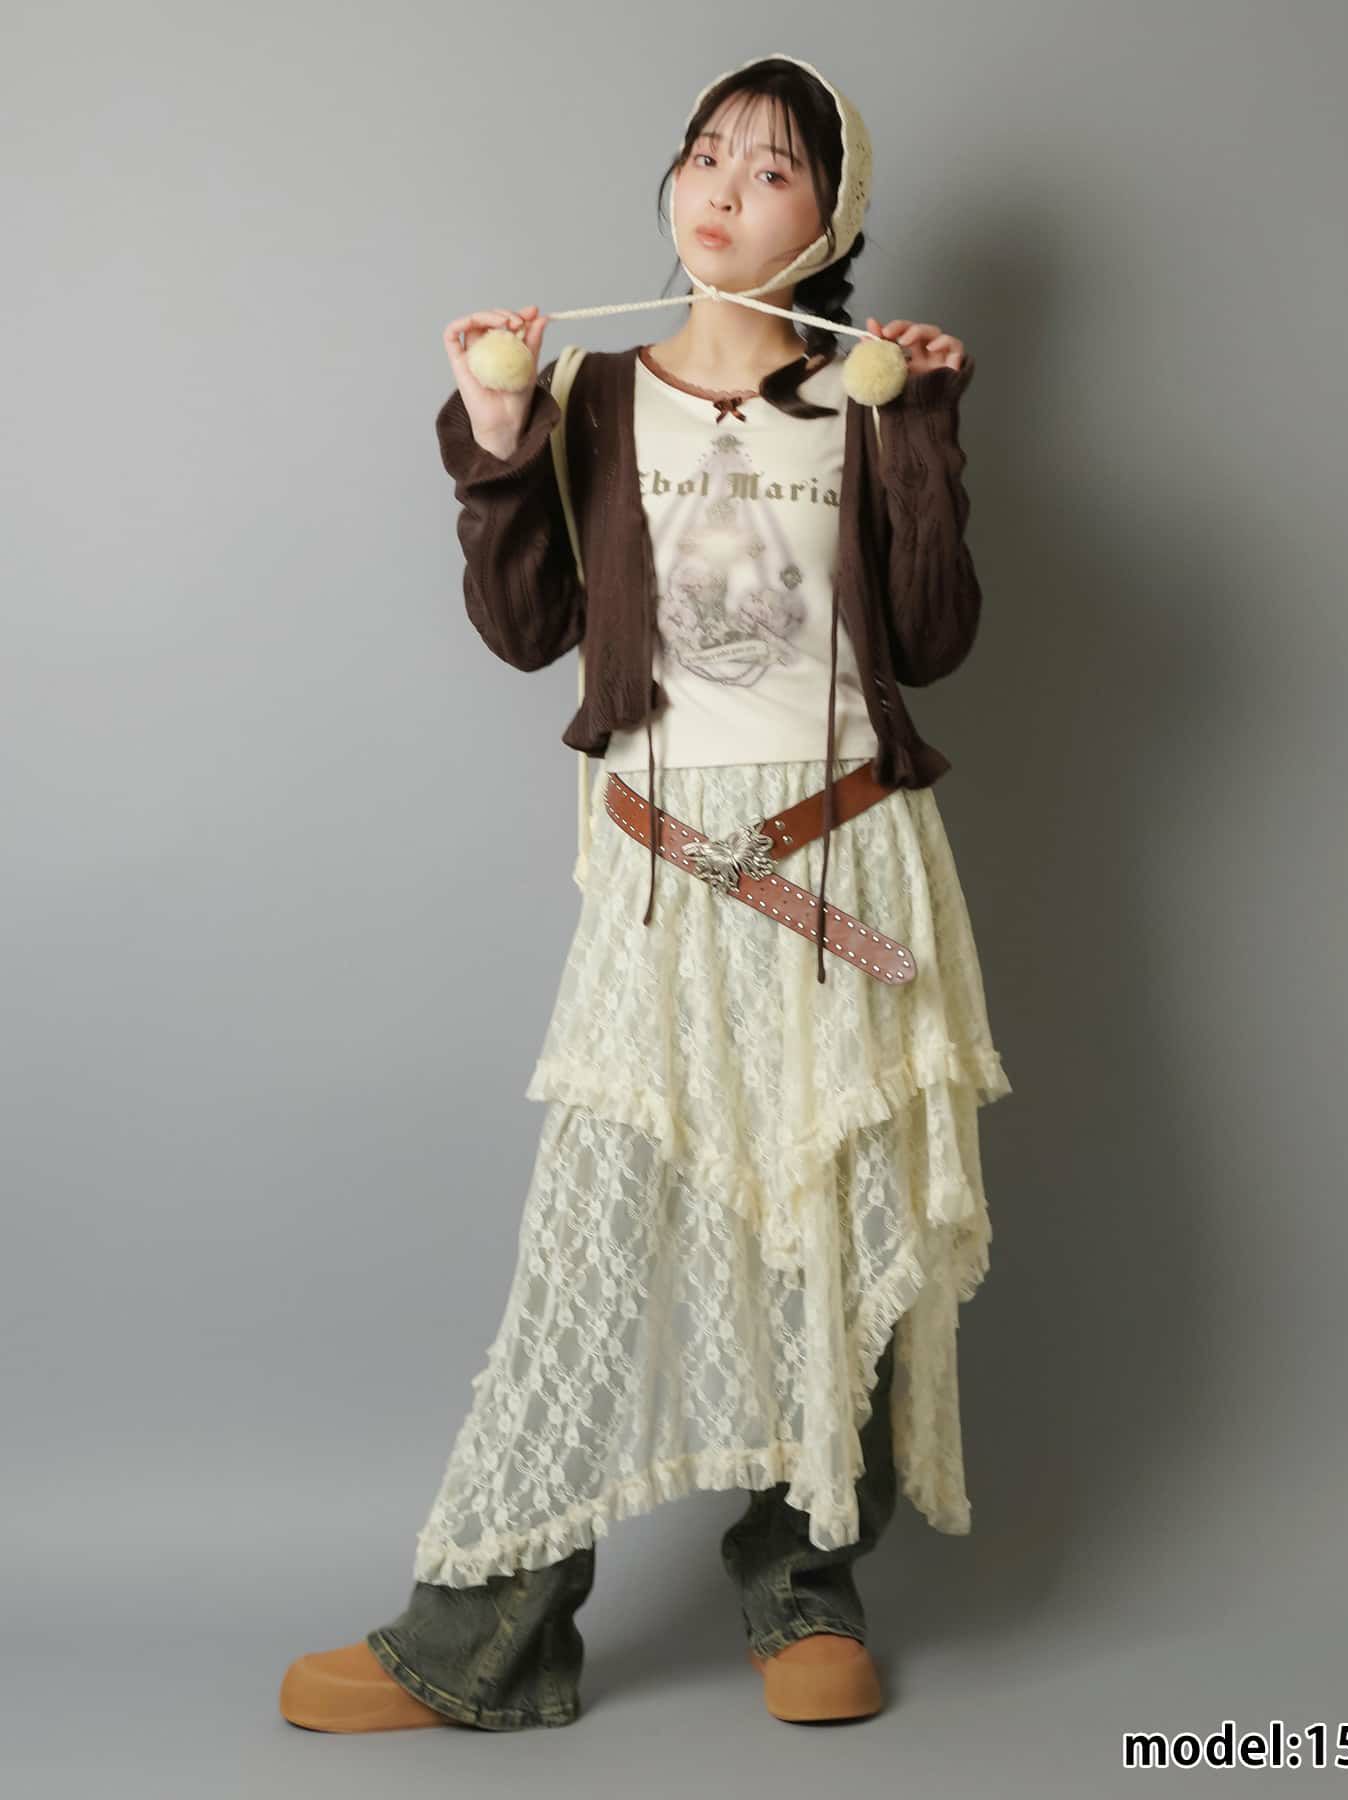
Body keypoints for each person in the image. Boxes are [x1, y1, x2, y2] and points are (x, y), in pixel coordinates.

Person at [279, 51, 1012, 1736]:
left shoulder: (870, 397)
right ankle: (491, 1628)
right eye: (704, 155)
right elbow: (528, 628)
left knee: (832, 1222)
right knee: (598, 1235)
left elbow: (933, 636)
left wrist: (923, 433)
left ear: (832, 220)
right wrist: (496, 437)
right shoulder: (593, 396)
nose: (723, 189)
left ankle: (806, 1584)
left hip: (842, 860)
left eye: (771, 167)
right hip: (666, 877)